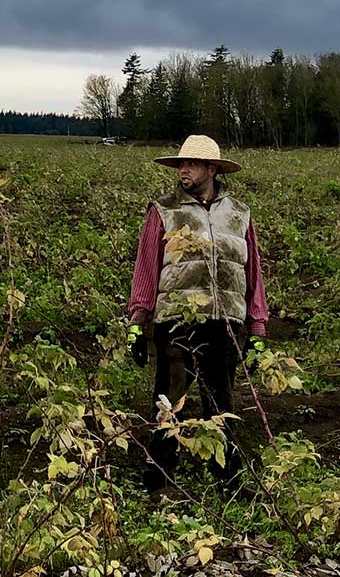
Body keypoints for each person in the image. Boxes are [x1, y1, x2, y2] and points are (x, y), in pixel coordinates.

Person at [125, 134, 269, 491]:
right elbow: (146, 266)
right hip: (177, 322)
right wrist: (137, 321)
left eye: (190, 164)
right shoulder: (164, 211)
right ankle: (158, 479)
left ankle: (227, 479)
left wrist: (258, 326)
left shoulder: (239, 214)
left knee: (221, 402)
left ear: (211, 169)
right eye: (180, 164)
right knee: (169, 401)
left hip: (226, 322)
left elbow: (252, 271)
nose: (183, 170)